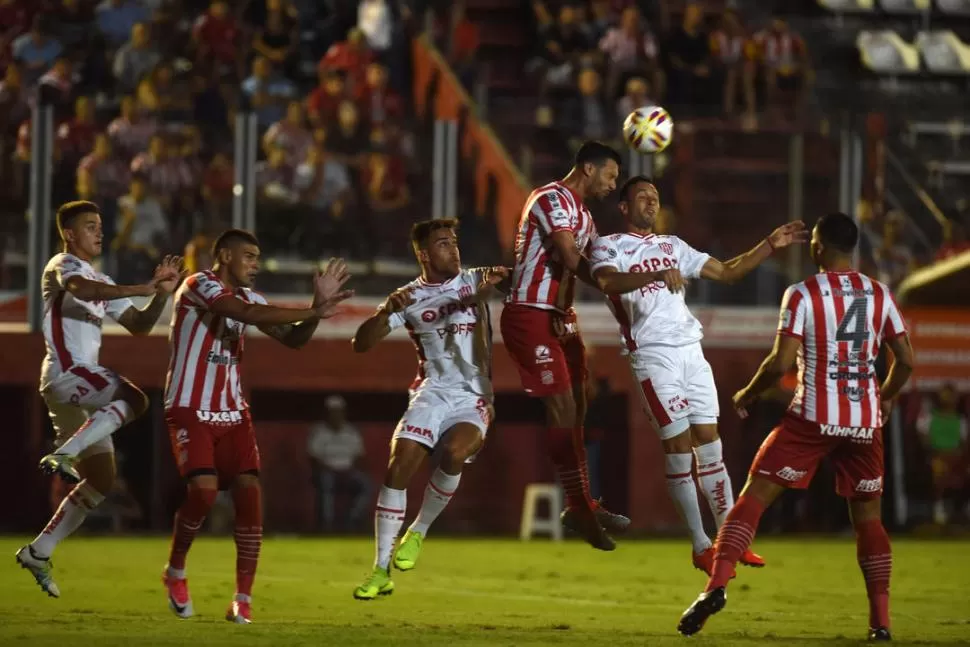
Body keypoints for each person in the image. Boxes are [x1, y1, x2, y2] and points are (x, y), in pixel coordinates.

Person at [678, 213, 915, 642]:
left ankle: (716, 586)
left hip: (811, 418)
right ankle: (880, 623)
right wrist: (885, 397)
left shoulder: (803, 293)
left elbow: (780, 363)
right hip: (864, 421)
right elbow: (907, 360)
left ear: (819, 248)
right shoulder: (880, 294)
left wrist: (747, 393)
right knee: (869, 520)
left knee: (753, 498)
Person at [588, 176, 807, 572]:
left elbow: (726, 271)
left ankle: (729, 539)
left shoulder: (673, 246)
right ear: (624, 207)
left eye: (655, 197)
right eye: (642, 197)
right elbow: (607, 281)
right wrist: (654, 276)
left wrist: (769, 245)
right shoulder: (609, 245)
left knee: (709, 442)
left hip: (691, 350)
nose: (651, 203)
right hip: (652, 355)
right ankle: (699, 542)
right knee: (677, 447)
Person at [160, 229, 352, 624]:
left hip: (232, 411)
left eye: (258, 257)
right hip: (189, 407)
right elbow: (244, 316)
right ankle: (175, 570)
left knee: (250, 496)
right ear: (225, 256)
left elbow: (294, 341)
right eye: (248, 256)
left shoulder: (252, 298)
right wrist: (311, 309)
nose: (255, 264)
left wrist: (318, 310)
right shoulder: (199, 284)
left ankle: (242, 599)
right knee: (205, 493)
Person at [500, 141, 684, 550]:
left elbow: (599, 268)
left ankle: (580, 504)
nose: (612, 184)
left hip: (561, 318)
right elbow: (571, 259)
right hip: (531, 312)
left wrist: (620, 279)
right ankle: (581, 507)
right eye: (611, 176)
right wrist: (615, 281)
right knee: (563, 405)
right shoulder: (551, 198)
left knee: (580, 405)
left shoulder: (584, 217)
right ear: (587, 168)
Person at [16, 200, 181, 598]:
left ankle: (39, 551)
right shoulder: (63, 265)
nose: (99, 232)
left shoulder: (103, 280)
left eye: (101, 225)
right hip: (67, 372)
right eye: (90, 225)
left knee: (103, 478)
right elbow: (81, 289)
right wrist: (141, 286)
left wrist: (160, 294)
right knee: (136, 399)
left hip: (76, 386)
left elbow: (140, 325)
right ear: (69, 234)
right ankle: (66, 453)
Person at [350, 218, 507, 599]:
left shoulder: (475, 278)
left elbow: (510, 279)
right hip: (431, 392)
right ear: (423, 254)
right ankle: (380, 570)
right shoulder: (407, 297)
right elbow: (361, 343)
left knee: (454, 453)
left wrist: (497, 283)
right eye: (442, 244)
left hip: (473, 395)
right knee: (399, 464)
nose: (453, 249)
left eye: (454, 242)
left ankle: (417, 530)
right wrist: (386, 310)